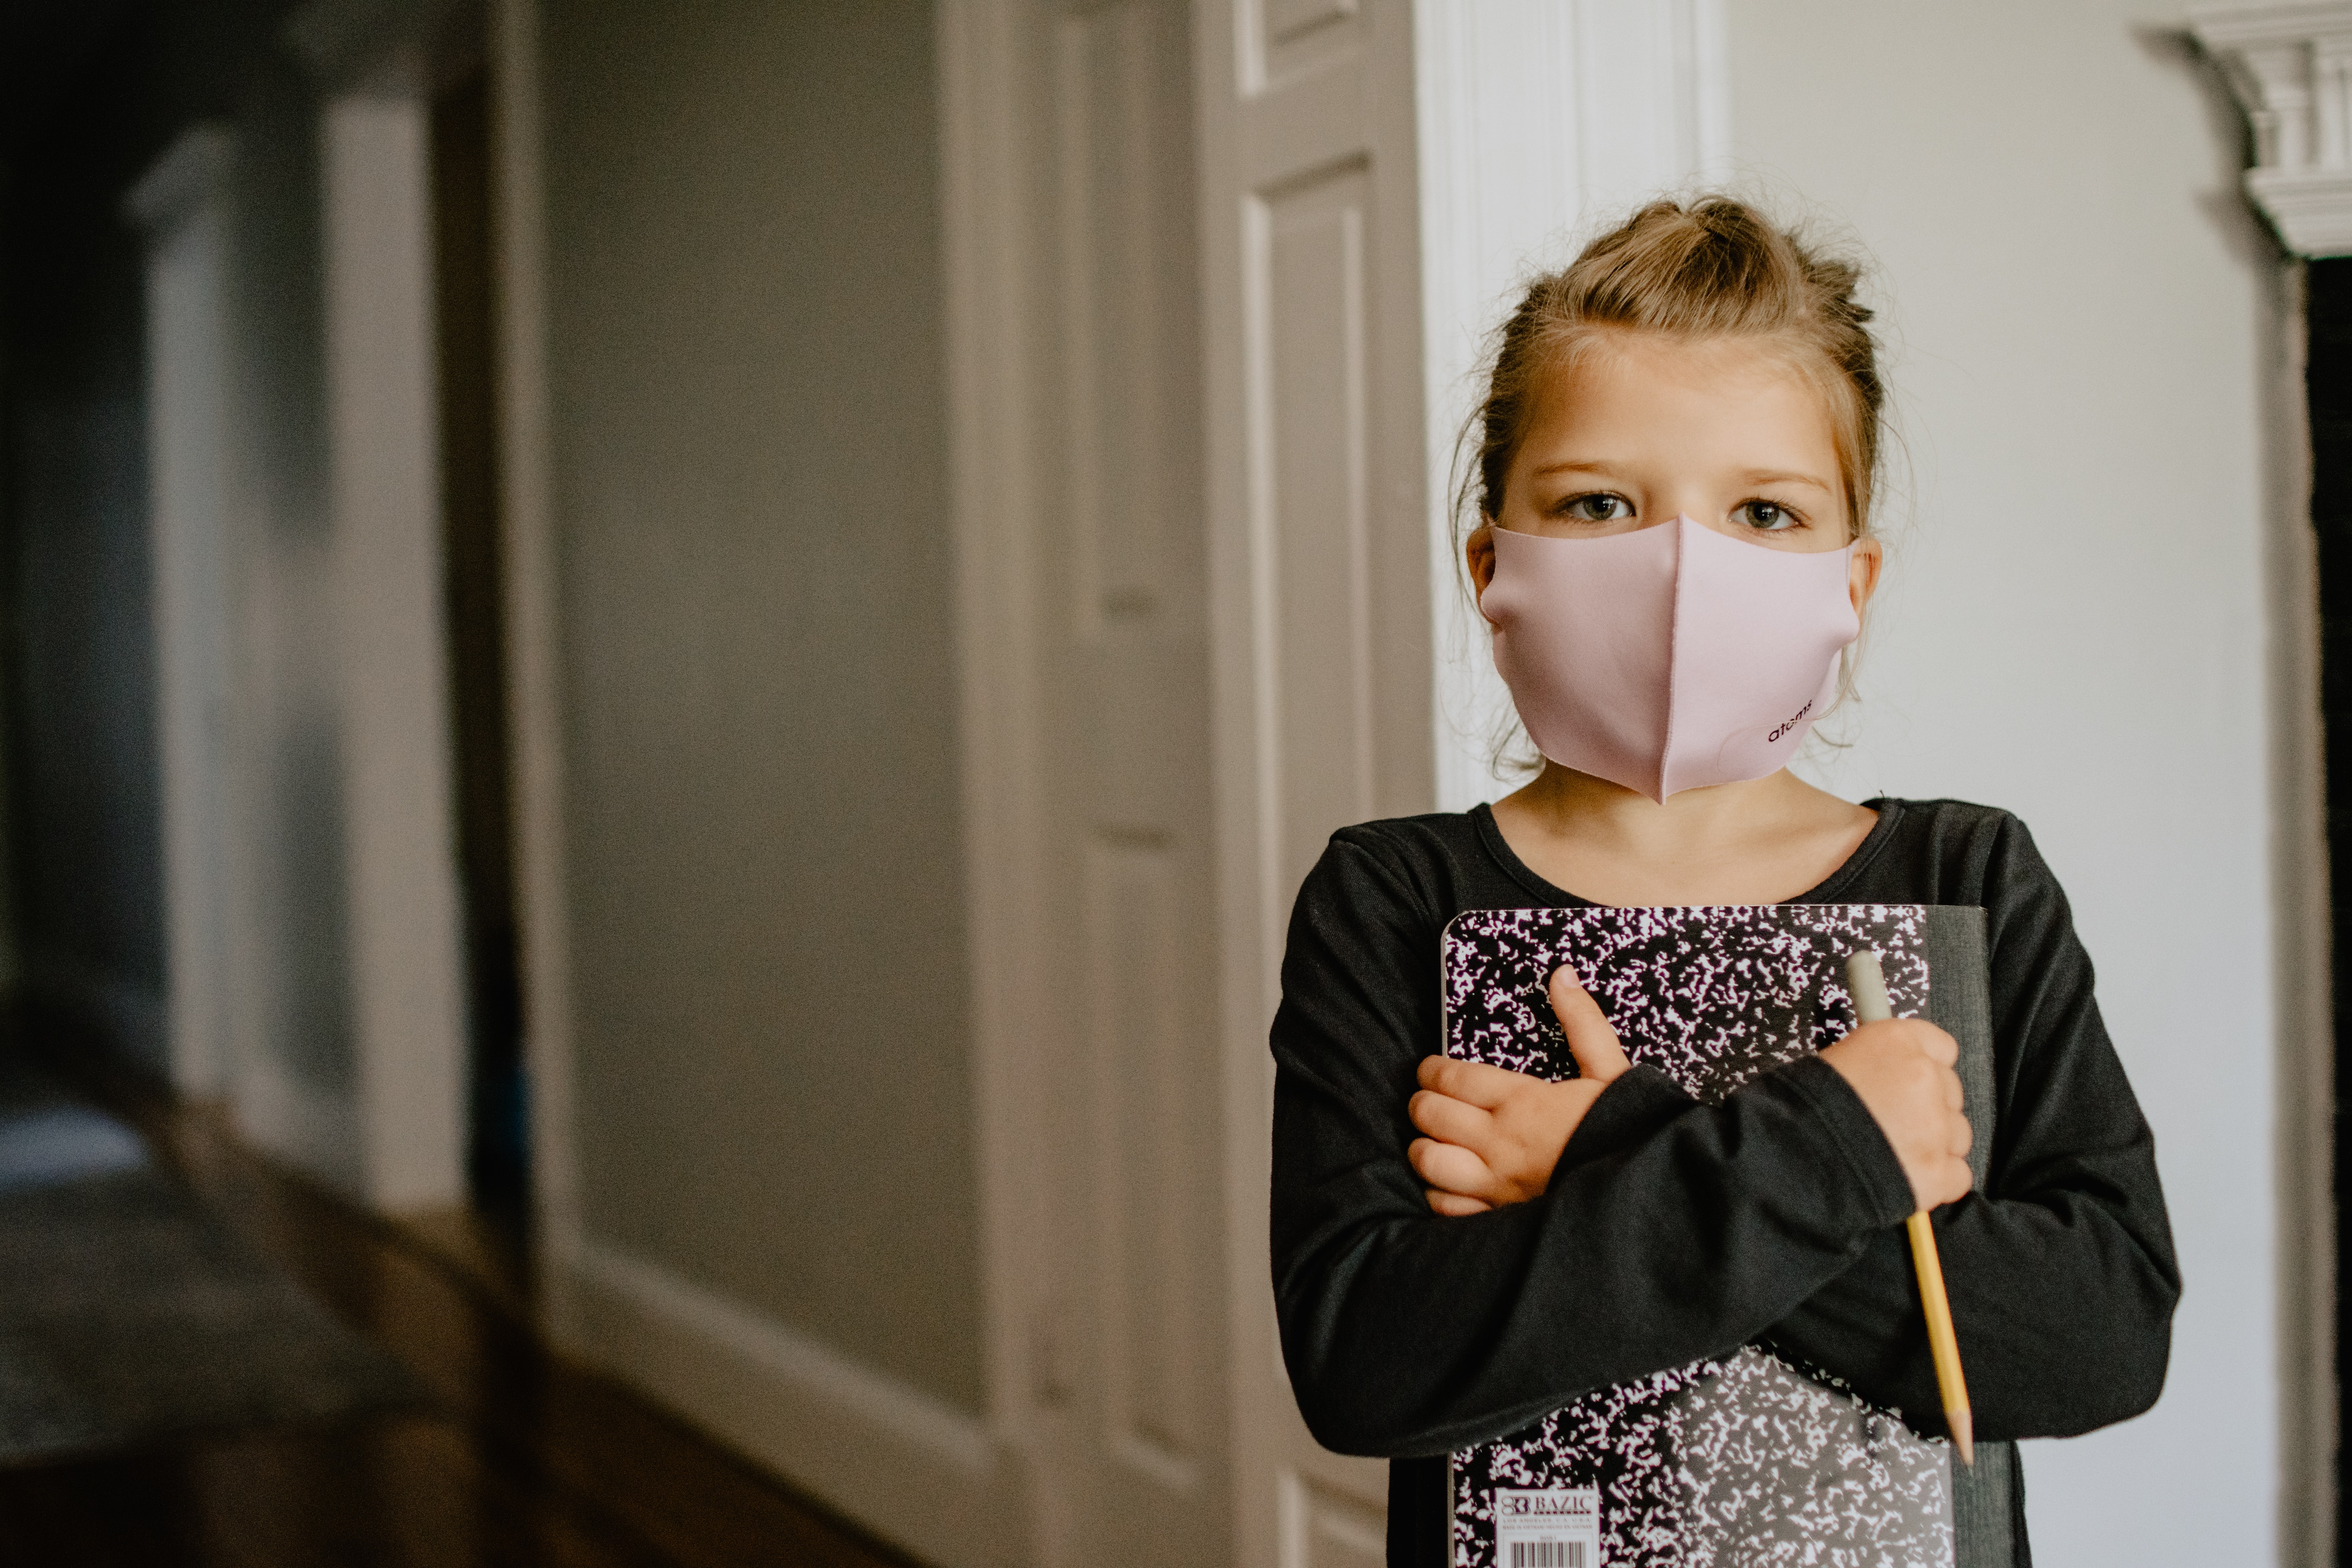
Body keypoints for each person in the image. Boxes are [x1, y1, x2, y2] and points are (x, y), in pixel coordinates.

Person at [1268, 196, 2179, 1568]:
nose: (1685, 571)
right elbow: (1370, 1365)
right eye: (1598, 503)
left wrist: (1604, 1152)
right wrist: (1836, 1156)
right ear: (1491, 562)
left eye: (1764, 510)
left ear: (1851, 580)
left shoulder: (1970, 880)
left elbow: (2098, 1343)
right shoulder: (1394, 899)